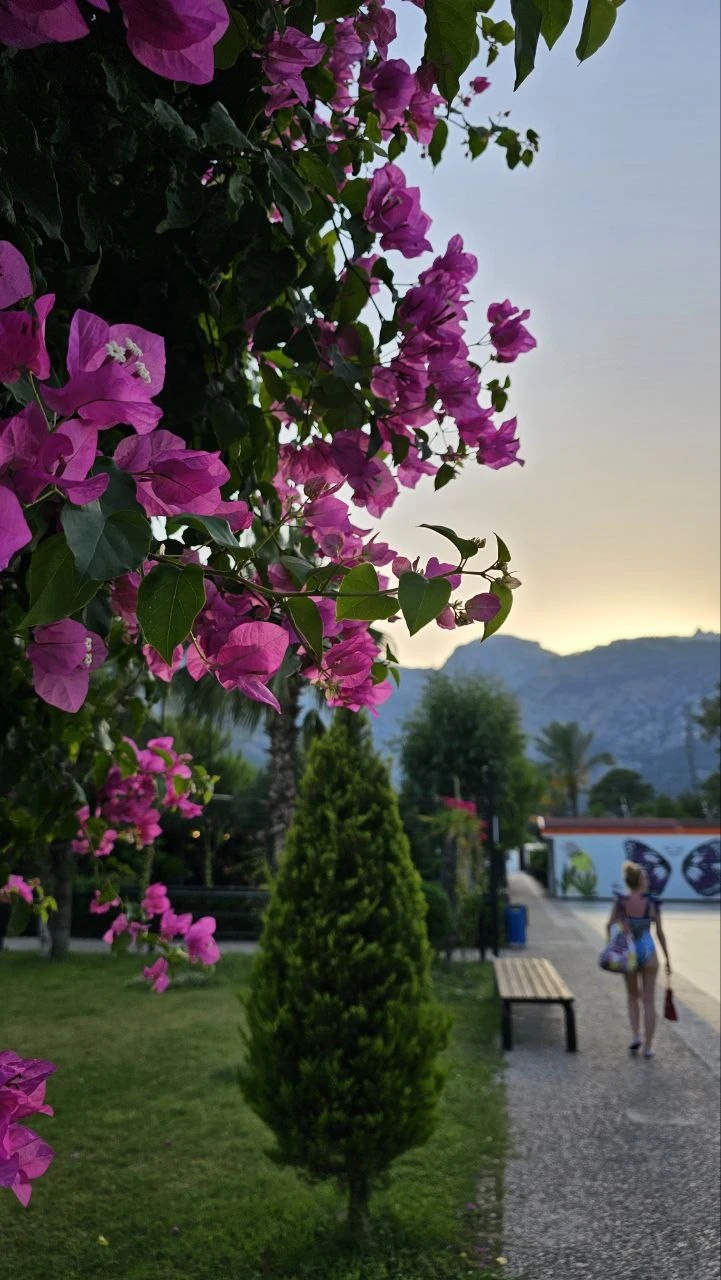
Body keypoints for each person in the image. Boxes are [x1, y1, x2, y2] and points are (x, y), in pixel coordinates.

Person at [606, 860, 671, 1058]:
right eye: (646, 878)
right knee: (649, 1001)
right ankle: (648, 1047)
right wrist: (668, 959)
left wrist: (612, 946)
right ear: (641, 881)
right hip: (649, 952)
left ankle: (636, 1036)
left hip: (629, 953)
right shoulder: (652, 903)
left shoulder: (620, 901)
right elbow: (659, 932)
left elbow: (609, 925)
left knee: (633, 996)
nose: (648, 880)